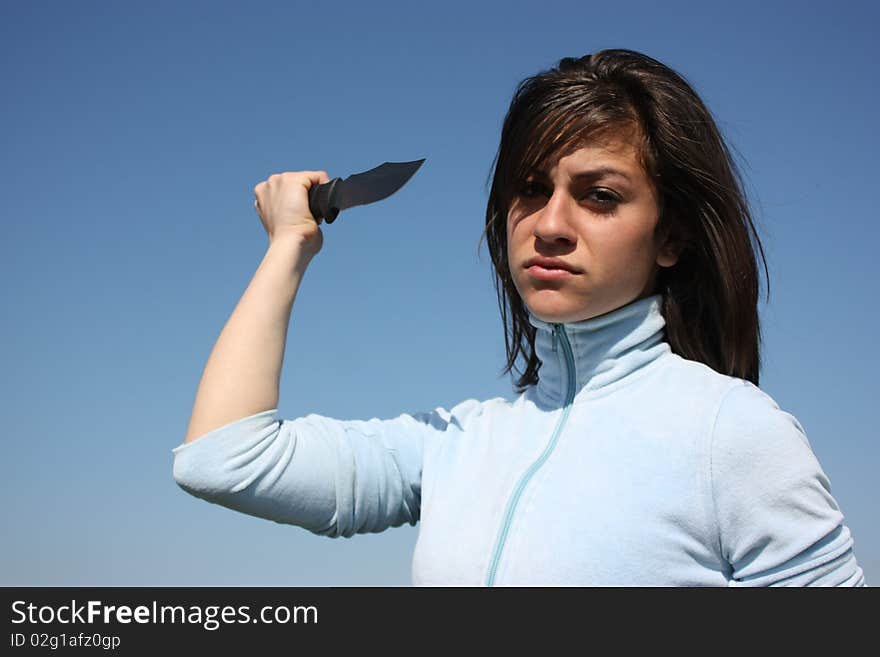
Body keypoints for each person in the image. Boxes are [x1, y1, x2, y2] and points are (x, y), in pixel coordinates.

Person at [171, 48, 866, 586]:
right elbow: (222, 460)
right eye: (530, 190)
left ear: (671, 237)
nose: (551, 224)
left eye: (598, 195)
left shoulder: (734, 436)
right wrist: (289, 246)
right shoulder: (455, 445)